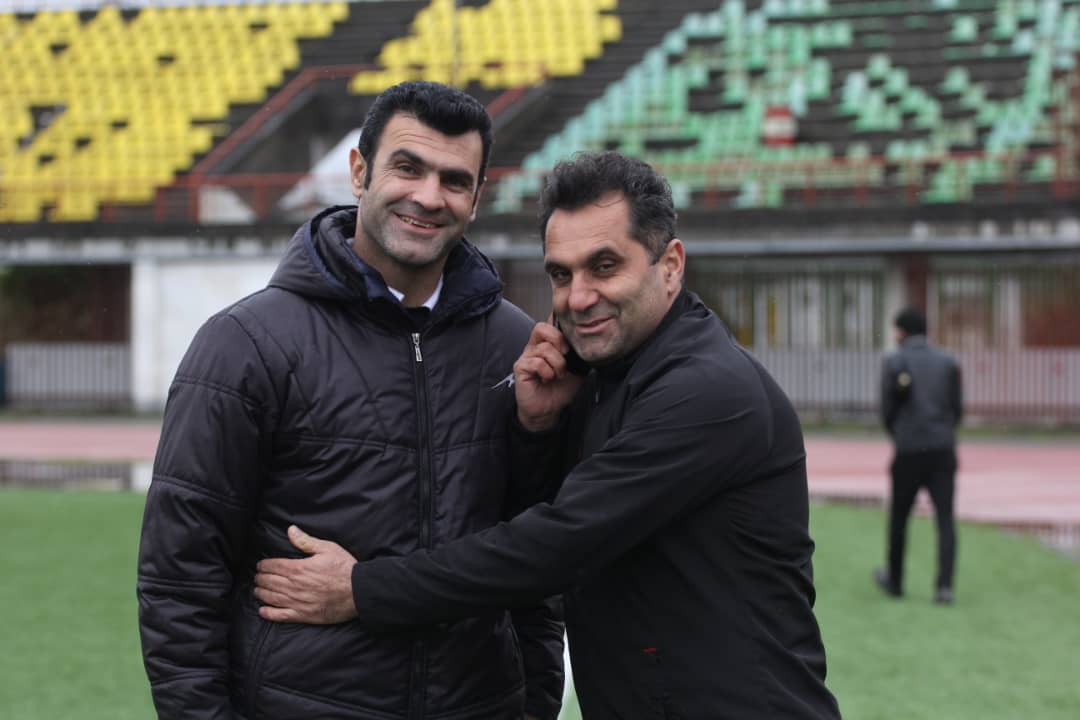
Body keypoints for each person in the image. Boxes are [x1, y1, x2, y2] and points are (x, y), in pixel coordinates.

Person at [254, 152, 841, 719]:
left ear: (670, 265)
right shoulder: (606, 376)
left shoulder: (708, 391)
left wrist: (362, 589)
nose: (578, 298)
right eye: (562, 274)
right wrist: (538, 428)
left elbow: (555, 545)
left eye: (604, 267)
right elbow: (561, 514)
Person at [136, 81, 564, 720]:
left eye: (454, 180)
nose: (428, 196)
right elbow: (179, 577)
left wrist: (533, 705)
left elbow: (536, 558)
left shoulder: (515, 347)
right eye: (407, 167)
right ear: (360, 172)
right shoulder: (245, 343)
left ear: (477, 199)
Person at [875, 306, 964, 604]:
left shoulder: (894, 361)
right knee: (945, 518)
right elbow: (957, 409)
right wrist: (942, 431)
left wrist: (901, 434)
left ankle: (895, 581)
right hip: (942, 448)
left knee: (899, 516)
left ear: (902, 331)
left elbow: (887, 410)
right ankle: (944, 586)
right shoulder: (948, 361)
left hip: (909, 449)